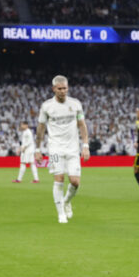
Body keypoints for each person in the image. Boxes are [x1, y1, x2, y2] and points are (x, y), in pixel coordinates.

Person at [35, 75, 90, 224]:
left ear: (68, 88)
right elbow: (41, 128)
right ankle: (61, 214)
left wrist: (85, 145)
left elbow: (82, 125)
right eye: (59, 89)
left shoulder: (75, 104)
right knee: (59, 178)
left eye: (65, 88)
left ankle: (66, 202)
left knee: (75, 182)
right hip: (54, 149)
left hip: (73, 149)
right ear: (54, 89)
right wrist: (37, 149)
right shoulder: (47, 106)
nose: (62, 91)